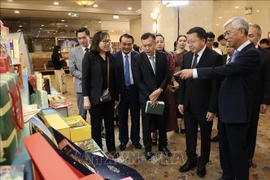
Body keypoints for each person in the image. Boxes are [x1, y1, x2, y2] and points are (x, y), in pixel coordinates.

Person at [175, 17, 261, 180]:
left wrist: (194, 72)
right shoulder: (238, 52)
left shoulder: (251, 53)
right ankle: (227, 176)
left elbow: (225, 71)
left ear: (241, 32)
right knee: (226, 150)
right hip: (226, 111)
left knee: (237, 153)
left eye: (228, 33)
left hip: (237, 112)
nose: (226, 37)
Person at [177, 27, 223, 178]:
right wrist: (181, 101)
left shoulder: (214, 57)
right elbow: (183, 81)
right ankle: (191, 159)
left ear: (203, 41)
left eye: (192, 41)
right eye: (188, 41)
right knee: (189, 134)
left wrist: (212, 108)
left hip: (205, 107)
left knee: (205, 136)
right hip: (189, 104)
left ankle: (203, 161)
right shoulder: (187, 56)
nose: (189, 44)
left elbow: (216, 86)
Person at [132, 32, 172, 160]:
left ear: (155, 43)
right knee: (147, 124)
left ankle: (163, 146)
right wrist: (150, 96)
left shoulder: (162, 56)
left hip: (161, 95)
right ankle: (148, 149)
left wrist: (160, 90)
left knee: (162, 123)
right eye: (144, 46)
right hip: (146, 98)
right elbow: (138, 80)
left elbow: (167, 75)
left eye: (149, 45)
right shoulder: (138, 59)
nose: (147, 48)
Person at [82, 31, 119, 158]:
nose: (108, 44)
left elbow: (115, 78)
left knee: (110, 125)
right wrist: (86, 98)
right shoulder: (89, 56)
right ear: (97, 42)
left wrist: (116, 96)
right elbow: (85, 78)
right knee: (96, 126)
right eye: (105, 41)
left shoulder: (111, 57)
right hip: (95, 99)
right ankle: (98, 151)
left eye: (109, 41)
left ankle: (111, 148)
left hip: (109, 98)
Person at [113, 33, 142, 151]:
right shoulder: (114, 57)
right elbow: (113, 78)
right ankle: (123, 140)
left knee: (135, 117)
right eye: (124, 44)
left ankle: (135, 140)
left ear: (132, 44)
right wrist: (115, 94)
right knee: (122, 118)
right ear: (120, 44)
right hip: (121, 92)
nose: (126, 46)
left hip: (135, 91)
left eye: (129, 44)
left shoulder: (139, 56)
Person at [247, 24, 270, 167]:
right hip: (237, 99)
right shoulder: (236, 52)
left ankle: (248, 156)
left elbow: (268, 80)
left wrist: (265, 101)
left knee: (251, 128)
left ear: (258, 37)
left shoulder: (266, 55)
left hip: (254, 99)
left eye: (251, 36)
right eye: (246, 35)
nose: (248, 39)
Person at [151, 33, 177, 144]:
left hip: (165, 88)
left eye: (161, 41)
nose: (159, 44)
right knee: (153, 112)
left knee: (164, 113)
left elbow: (170, 71)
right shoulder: (147, 55)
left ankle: (163, 136)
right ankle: (154, 134)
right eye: (157, 41)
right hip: (152, 90)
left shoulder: (168, 55)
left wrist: (163, 86)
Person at [69, 27, 91, 120]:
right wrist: (86, 77)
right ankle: (83, 132)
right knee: (82, 113)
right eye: (79, 38)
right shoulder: (73, 51)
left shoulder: (95, 49)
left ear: (89, 37)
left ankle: (99, 131)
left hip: (95, 87)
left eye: (84, 37)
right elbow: (72, 69)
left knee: (96, 113)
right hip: (81, 86)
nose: (82, 40)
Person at [172, 35, 188, 133]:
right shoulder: (171, 54)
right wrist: (173, 80)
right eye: (180, 40)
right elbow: (169, 69)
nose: (182, 42)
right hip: (174, 80)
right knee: (174, 103)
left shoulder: (188, 54)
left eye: (184, 41)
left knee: (184, 102)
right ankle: (174, 125)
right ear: (177, 42)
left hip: (185, 80)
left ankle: (183, 125)